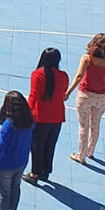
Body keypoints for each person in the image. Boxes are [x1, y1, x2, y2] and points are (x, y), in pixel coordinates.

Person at [65, 33, 105, 165]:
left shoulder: (87, 58)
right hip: (101, 97)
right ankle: (90, 151)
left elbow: (79, 76)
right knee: (95, 125)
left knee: (83, 126)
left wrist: (68, 92)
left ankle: (81, 155)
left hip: (85, 96)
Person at [24, 48, 67, 184]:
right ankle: (45, 171)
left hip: (40, 116)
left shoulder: (37, 75)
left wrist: (26, 112)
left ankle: (35, 172)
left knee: (37, 145)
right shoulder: (63, 76)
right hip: (57, 116)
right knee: (50, 144)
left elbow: (33, 96)